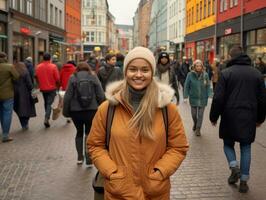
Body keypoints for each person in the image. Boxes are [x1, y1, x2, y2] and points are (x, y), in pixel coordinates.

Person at [87, 47, 189, 199]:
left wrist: (160, 171)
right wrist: (111, 171)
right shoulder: (108, 109)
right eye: (133, 69)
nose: (139, 75)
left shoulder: (167, 109)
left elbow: (178, 147)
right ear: (125, 72)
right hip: (119, 192)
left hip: (155, 192)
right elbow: (95, 145)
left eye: (145, 70)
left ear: (152, 72)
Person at [210, 46, 266, 193]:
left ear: (231, 57)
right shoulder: (257, 74)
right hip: (249, 115)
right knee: (246, 148)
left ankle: (234, 167)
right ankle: (243, 182)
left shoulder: (226, 73)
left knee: (228, 144)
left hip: (229, 116)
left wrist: (213, 116)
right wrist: (260, 118)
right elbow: (262, 99)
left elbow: (218, 98)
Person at [63, 62, 105, 165]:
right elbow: (100, 94)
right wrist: (102, 107)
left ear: (77, 69)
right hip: (91, 110)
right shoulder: (93, 77)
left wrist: (66, 112)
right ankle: (88, 157)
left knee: (79, 132)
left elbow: (67, 96)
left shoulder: (73, 77)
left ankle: (79, 157)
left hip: (76, 111)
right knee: (89, 133)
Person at [184, 59, 212, 136]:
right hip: (193, 97)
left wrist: (209, 94)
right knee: (193, 114)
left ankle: (198, 129)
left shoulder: (205, 75)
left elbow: (208, 85)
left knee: (200, 114)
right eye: (197, 66)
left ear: (202, 67)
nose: (199, 67)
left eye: (200, 66)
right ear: (194, 66)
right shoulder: (190, 75)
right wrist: (185, 96)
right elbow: (186, 85)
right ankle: (195, 124)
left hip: (203, 98)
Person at [35, 53, 60, 128]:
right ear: (50, 58)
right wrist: (58, 85)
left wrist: (39, 84)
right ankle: (46, 118)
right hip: (52, 88)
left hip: (43, 88)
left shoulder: (38, 66)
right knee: (49, 103)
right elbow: (57, 78)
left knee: (46, 103)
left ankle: (47, 115)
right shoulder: (53, 66)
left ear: (43, 58)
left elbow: (36, 76)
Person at [0, 52, 20, 142]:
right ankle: (5, 135)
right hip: (7, 94)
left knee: (1, 113)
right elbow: (17, 77)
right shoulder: (9, 66)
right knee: (7, 113)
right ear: (5, 57)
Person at [13, 62, 36, 130]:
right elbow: (29, 83)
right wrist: (32, 90)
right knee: (27, 108)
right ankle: (25, 123)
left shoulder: (13, 72)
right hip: (25, 93)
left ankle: (23, 124)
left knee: (18, 108)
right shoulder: (25, 72)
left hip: (15, 93)